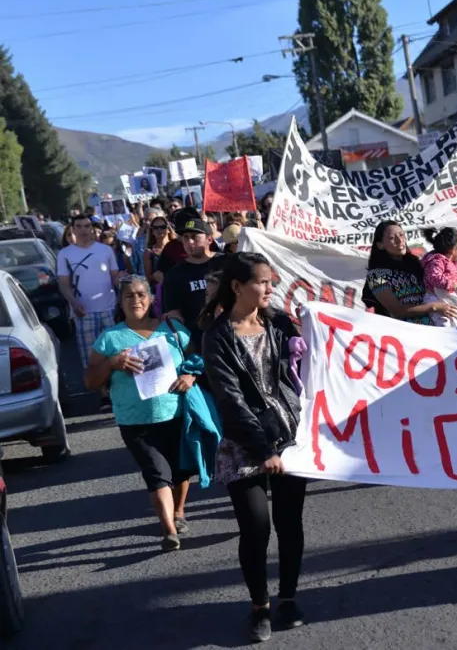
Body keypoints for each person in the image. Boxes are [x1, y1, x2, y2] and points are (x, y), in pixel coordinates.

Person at [201, 253, 308, 642]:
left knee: (290, 523)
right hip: (245, 443)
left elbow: (304, 366)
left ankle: (289, 598)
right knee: (256, 527)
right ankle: (259, 606)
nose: (269, 288)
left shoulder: (278, 322)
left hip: (289, 436)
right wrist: (263, 450)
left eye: (271, 281)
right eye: (262, 282)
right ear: (237, 287)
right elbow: (231, 401)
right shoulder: (217, 336)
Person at [83, 276, 196, 551]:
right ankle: (169, 530)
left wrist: (191, 376)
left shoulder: (172, 330)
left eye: (141, 294)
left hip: (176, 413)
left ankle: (178, 512)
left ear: (151, 298)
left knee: (180, 470)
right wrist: (112, 363)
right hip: (135, 420)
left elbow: (196, 359)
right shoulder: (110, 338)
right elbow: (90, 381)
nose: (136, 300)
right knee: (156, 472)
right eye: (129, 296)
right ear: (120, 302)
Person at [362, 220, 457, 324]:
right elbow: (397, 311)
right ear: (380, 245)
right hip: (405, 331)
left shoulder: (416, 265)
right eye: (392, 238)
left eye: (401, 235)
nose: (399, 240)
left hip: (434, 326)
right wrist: (433, 307)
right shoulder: (375, 276)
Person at [57, 215, 121, 370]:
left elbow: (115, 277)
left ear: (91, 228)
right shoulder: (65, 254)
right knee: (91, 361)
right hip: (84, 313)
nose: (83, 230)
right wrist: (74, 303)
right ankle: (98, 385)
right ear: (73, 229)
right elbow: (64, 284)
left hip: (108, 310)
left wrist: (124, 283)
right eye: (79, 226)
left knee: (116, 356)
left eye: (87, 226)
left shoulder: (105, 250)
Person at [162, 218, 226, 353]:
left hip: (230, 335)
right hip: (197, 343)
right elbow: (173, 312)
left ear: (209, 239)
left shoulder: (225, 263)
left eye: (194, 237)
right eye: (185, 237)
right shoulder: (175, 274)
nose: (189, 242)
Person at [421, 227, 457, 327]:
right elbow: (434, 277)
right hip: (434, 299)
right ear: (453, 250)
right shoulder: (436, 261)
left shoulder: (453, 264)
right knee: (444, 323)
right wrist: (450, 284)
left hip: (446, 299)